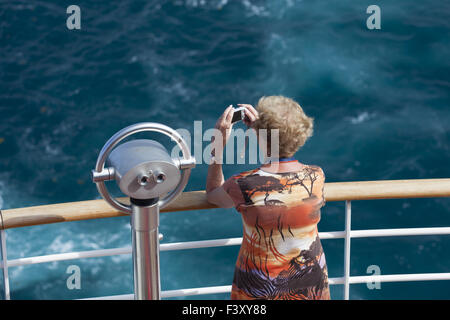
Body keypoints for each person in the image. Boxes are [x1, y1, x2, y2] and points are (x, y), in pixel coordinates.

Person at [206, 95, 330, 300]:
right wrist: (263, 132)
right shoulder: (316, 176)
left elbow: (212, 194)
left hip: (260, 289)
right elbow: (279, 165)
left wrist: (217, 149)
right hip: (311, 285)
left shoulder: (243, 184)